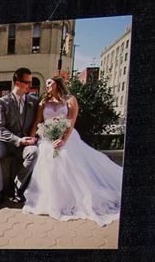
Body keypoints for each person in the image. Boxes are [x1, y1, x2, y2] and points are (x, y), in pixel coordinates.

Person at [23, 75, 123, 226]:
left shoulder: (70, 100)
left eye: (49, 82)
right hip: (47, 137)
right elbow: (38, 122)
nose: (47, 85)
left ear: (57, 83)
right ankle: (51, 198)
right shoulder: (43, 102)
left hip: (67, 137)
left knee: (64, 154)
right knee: (45, 152)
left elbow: (71, 121)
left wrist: (63, 140)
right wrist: (30, 139)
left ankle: (68, 200)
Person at [0, 68, 40, 214]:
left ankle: (17, 186)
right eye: (27, 82)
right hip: (5, 142)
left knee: (34, 152)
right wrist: (18, 140)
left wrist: (34, 137)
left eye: (31, 82)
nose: (30, 85)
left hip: (25, 143)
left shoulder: (34, 101)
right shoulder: (2, 102)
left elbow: (40, 123)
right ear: (17, 83)